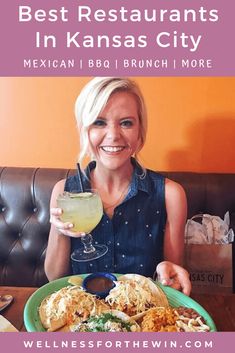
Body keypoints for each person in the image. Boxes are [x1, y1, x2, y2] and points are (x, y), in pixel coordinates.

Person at [45, 77, 191, 295]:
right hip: (80, 316)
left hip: (140, 317)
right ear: (85, 130)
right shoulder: (64, 191)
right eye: (99, 122)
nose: (113, 135)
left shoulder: (171, 195)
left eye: (126, 123)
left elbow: (172, 283)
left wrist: (167, 274)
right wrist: (59, 231)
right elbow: (54, 278)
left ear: (140, 131)